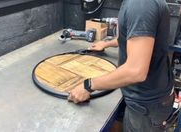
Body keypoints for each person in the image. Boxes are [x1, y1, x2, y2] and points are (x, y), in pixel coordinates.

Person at [68, 0, 174, 131]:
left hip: (145, 106)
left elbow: (136, 71)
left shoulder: (140, 4)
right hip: (151, 97)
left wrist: (88, 85)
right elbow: (132, 35)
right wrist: (105, 44)